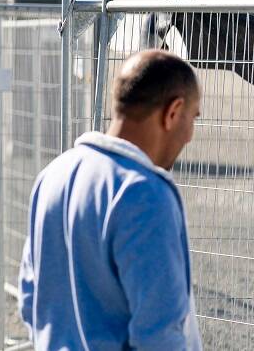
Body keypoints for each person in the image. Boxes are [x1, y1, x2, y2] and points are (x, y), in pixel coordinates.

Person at [18, 50, 203, 350]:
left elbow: (30, 298)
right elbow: (160, 332)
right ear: (173, 111)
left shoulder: (54, 175)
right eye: (193, 118)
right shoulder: (146, 193)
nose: (190, 136)